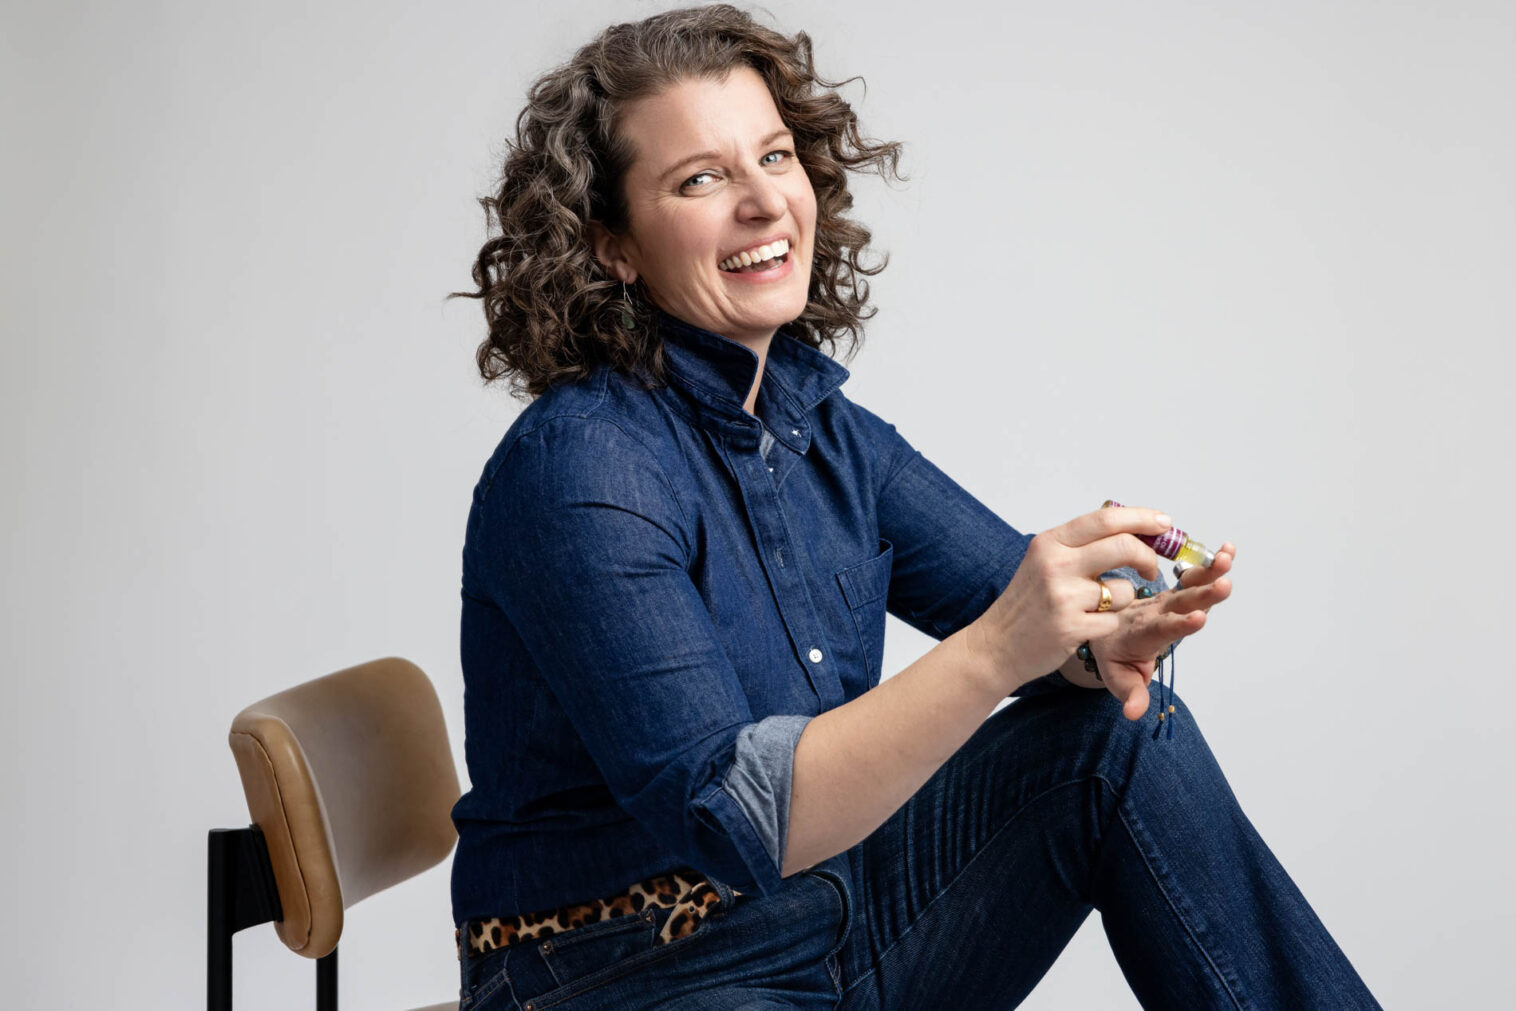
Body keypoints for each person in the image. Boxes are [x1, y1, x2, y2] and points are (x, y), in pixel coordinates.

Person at [447, 6, 1382, 1008]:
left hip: (829, 917)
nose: (764, 202)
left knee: (1118, 739)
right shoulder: (582, 468)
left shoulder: (815, 423)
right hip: (629, 969)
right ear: (614, 247)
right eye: (702, 179)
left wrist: (1106, 626)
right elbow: (738, 813)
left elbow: (1013, 600)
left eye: (773, 157)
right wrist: (1000, 649)